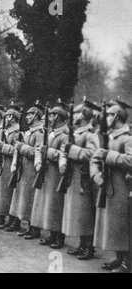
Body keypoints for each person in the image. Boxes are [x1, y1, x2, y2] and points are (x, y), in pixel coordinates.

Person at [90, 100, 132, 273]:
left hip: (123, 187)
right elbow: (96, 157)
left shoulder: (128, 138)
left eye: (108, 115)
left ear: (117, 117)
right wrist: (96, 175)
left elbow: (130, 160)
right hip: (108, 186)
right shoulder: (109, 136)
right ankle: (118, 258)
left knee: (122, 226)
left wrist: (110, 156)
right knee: (113, 225)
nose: (105, 118)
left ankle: (127, 263)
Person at [59, 99, 100, 260]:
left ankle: (89, 247)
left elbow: (93, 153)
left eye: (76, 113)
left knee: (85, 212)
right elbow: (65, 150)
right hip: (73, 175)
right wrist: (63, 161)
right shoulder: (75, 132)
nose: (73, 115)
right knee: (77, 212)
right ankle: (82, 245)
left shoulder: (90, 133)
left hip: (84, 177)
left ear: (83, 115)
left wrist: (73, 151)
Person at [31, 101, 69, 249]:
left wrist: (50, 153)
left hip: (57, 172)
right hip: (47, 171)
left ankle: (59, 237)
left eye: (53, 115)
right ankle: (51, 235)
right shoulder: (50, 132)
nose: (50, 117)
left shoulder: (65, 134)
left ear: (59, 117)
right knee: (48, 204)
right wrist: (38, 162)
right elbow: (39, 149)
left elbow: (64, 153)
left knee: (57, 204)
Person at [9, 102, 45, 239]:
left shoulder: (40, 132)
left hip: (32, 168)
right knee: (24, 196)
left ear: (36, 116)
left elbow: (37, 151)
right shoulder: (30, 131)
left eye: (30, 114)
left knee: (31, 197)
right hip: (25, 166)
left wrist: (21, 147)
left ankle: (34, 227)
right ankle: (28, 224)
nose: (27, 117)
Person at [0, 103, 21, 230]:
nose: (6, 118)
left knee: (9, 193)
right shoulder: (6, 131)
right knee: (2, 192)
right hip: (4, 163)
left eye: (8, 116)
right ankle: (2, 216)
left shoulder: (16, 132)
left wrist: (3, 147)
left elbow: (16, 149)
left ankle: (12, 219)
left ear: (13, 118)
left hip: (11, 164)